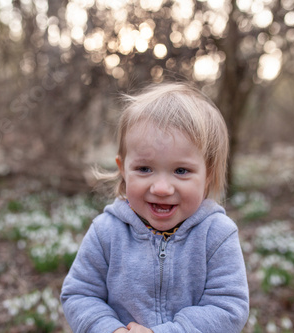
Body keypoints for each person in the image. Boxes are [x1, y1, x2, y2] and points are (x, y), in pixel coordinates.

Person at [60, 82, 249, 333]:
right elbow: (79, 294)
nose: (161, 188)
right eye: (144, 169)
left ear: (208, 174)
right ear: (123, 169)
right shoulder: (106, 231)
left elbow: (227, 308)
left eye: (181, 171)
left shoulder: (216, 234)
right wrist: (109, 329)